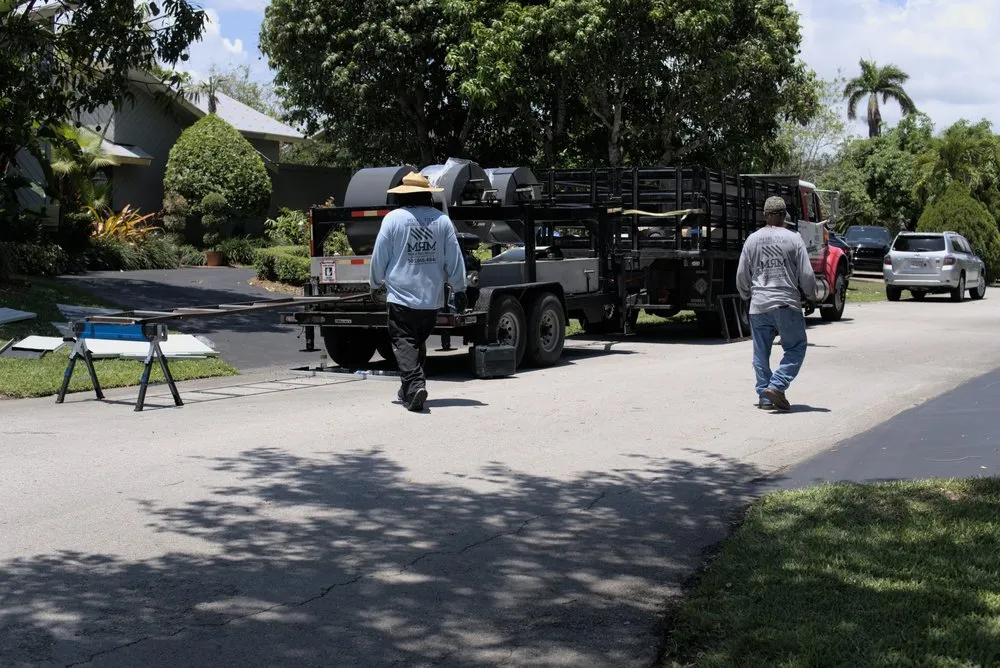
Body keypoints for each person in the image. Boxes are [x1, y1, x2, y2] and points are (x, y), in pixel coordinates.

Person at [370, 171, 468, 412]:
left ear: (402, 196)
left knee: (404, 341)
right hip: (431, 300)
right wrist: (460, 288)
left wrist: (375, 284)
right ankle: (408, 389)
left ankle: (415, 386)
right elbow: (455, 258)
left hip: (401, 297)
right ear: (427, 195)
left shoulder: (393, 219)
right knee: (416, 343)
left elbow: (379, 256)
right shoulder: (442, 221)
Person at [736, 195, 817, 411]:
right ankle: (777, 385)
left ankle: (764, 397)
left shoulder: (752, 240)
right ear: (784, 216)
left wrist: (746, 294)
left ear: (764, 215)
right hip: (786, 304)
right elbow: (806, 275)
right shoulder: (794, 239)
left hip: (759, 305)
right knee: (796, 346)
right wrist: (811, 295)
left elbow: (742, 274)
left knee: (761, 353)